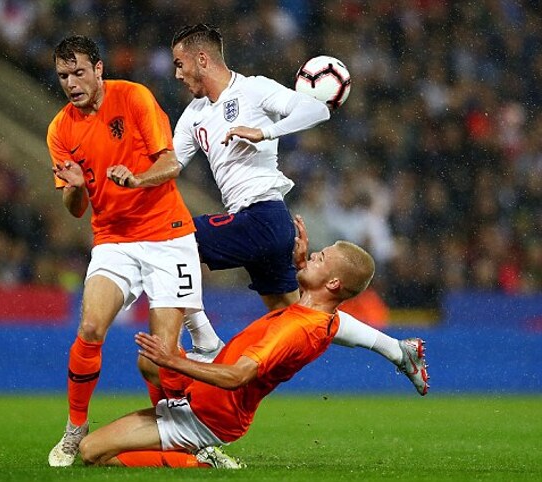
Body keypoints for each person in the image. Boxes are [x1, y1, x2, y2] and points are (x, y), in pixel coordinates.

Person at [170, 24, 428, 396]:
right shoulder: (193, 114)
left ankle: (204, 340)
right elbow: (168, 166)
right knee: (300, 315)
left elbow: (316, 110)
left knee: (170, 238)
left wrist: (265, 132)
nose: (177, 74)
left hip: (262, 217)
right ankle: (396, 349)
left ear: (202, 59)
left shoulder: (253, 89)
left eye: (180, 64)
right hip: (264, 224)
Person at [76, 215, 382, 469]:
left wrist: (173, 360)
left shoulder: (296, 328)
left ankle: (199, 461)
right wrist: (302, 265)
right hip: (206, 395)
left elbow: (238, 376)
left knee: (92, 452)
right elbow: (312, 303)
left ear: (333, 283)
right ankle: (179, 421)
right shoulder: (321, 317)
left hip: (209, 416)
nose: (313, 255)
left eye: (321, 258)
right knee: (149, 363)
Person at [46, 35, 206, 467]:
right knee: (90, 328)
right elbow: (75, 208)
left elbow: (170, 163)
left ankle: (192, 433)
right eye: (63, 76)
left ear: (99, 69)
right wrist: (76, 189)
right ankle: (75, 428)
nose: (71, 83)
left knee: (159, 356)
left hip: (167, 235)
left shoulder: (134, 97)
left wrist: (137, 179)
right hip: (113, 239)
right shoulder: (60, 129)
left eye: (79, 72)